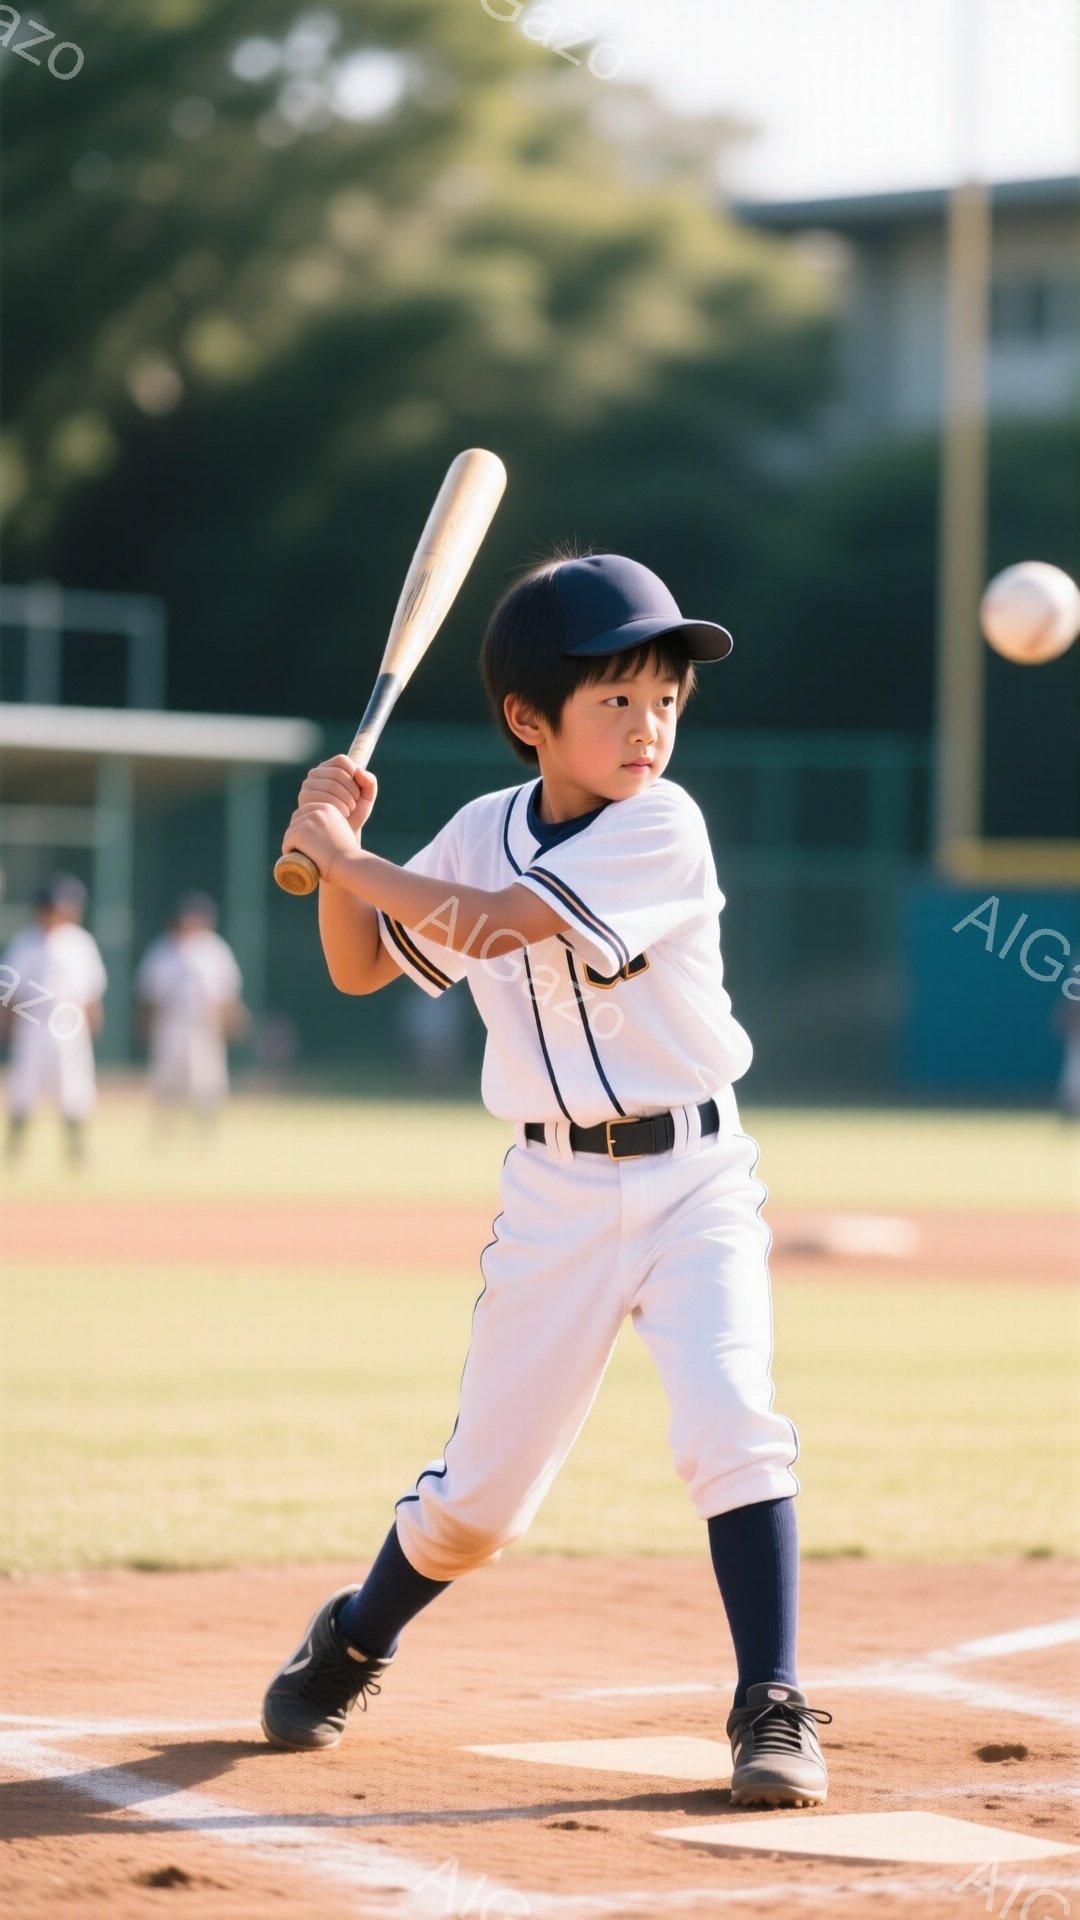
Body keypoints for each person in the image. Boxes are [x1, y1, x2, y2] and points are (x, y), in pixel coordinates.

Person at [262, 551, 832, 1808]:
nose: (650, 726)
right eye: (616, 699)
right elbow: (364, 966)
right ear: (531, 720)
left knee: (731, 1419)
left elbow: (499, 926)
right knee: (479, 1506)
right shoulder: (479, 827)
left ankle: (773, 1701)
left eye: (666, 699)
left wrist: (348, 860)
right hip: (554, 1198)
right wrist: (335, 839)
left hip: (695, 1176)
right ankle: (355, 1635)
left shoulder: (663, 826)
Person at [2, 873, 106, 1164]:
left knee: (75, 1087)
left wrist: (92, 1021)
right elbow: (9, 989)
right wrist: (7, 1022)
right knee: (24, 1085)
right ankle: (15, 1149)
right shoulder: (26, 942)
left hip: (69, 1023)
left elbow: (91, 991)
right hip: (32, 1021)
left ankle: (76, 1150)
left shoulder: (80, 943)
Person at [135, 892, 245, 1127]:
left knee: (207, 1084)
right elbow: (150, 996)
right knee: (166, 1083)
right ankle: (164, 1130)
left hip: (205, 1026)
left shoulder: (214, 950)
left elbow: (226, 994)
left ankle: (208, 1133)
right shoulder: (163, 950)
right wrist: (147, 1027)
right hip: (171, 1025)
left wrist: (231, 1021)